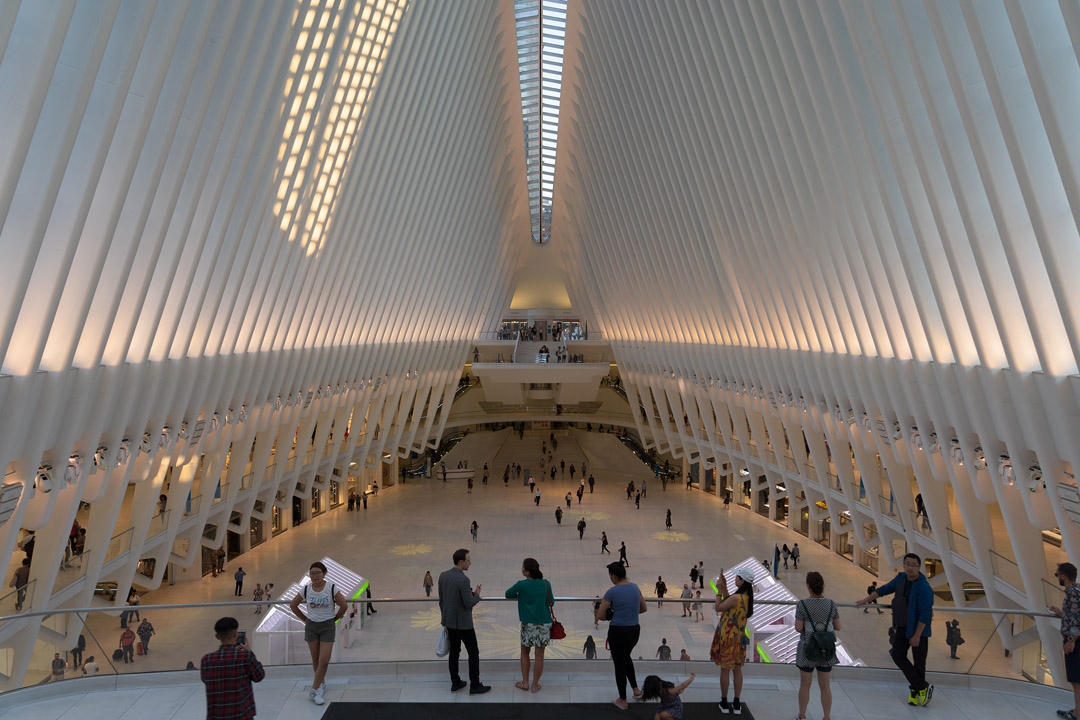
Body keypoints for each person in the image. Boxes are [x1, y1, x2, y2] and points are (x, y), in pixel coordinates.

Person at [856, 553, 934, 706]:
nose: (910, 568)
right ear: (903, 565)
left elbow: (926, 614)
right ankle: (922, 687)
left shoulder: (924, 587)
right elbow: (885, 589)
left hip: (919, 630)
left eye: (913, 565)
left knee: (919, 663)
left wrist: (917, 635)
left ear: (919, 567)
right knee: (897, 655)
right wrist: (865, 600)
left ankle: (916, 693)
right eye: (907, 564)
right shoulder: (901, 579)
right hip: (902, 627)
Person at [289, 561, 348, 705]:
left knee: (324, 660)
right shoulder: (306, 589)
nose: (314, 576)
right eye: (312, 573)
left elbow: (344, 605)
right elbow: (293, 605)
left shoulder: (331, 587)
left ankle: (313, 689)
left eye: (318, 573)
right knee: (315, 659)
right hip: (311, 627)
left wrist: (335, 618)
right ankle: (320, 684)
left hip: (327, 626)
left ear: (324, 574)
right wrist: (305, 620)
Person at [595, 561, 647, 709]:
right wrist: (628, 613)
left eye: (610, 575)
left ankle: (623, 700)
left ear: (614, 576)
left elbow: (600, 615)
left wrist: (613, 615)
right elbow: (643, 608)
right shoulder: (635, 587)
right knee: (626, 657)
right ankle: (636, 690)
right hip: (634, 630)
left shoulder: (612, 592)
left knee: (619, 665)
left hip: (618, 631)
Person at [439, 549, 490, 694]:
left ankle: (455, 682)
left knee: (454, 652)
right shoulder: (463, 580)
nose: (470, 563)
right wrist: (477, 595)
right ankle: (475, 685)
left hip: (450, 622)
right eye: (468, 560)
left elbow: (442, 601)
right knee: (473, 652)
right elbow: (468, 603)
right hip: (464, 624)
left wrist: (444, 622)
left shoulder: (443, 576)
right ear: (460, 562)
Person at [795, 571, 841, 720]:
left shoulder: (802, 605)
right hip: (826, 648)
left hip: (808, 648)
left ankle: (802, 716)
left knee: (805, 685)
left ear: (808, 586)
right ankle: (826, 717)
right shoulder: (831, 604)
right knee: (825, 686)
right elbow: (838, 626)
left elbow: (798, 627)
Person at [200, 616, 265, 720]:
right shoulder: (245, 657)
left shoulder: (206, 660)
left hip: (216, 715)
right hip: (242, 714)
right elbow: (259, 676)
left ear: (217, 636)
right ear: (236, 634)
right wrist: (249, 651)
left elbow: (205, 680)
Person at [710, 567, 755, 714]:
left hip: (727, 637)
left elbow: (719, 607)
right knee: (737, 669)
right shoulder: (746, 598)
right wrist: (725, 587)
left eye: (737, 577)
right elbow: (730, 602)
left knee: (725, 669)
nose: (735, 578)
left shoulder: (737, 598)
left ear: (742, 581)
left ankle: (724, 702)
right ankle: (736, 702)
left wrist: (718, 591)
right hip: (739, 638)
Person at [505, 557, 554, 693]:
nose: (521, 569)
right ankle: (535, 685)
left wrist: (521, 595)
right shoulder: (546, 583)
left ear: (527, 571)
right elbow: (552, 602)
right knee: (539, 655)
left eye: (523, 567)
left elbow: (508, 594)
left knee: (525, 653)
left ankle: (525, 683)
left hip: (528, 624)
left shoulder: (521, 584)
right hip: (544, 623)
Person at [1051, 561, 1080, 720]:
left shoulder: (1073, 593)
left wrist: (1071, 639)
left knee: (1077, 681)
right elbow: (1073, 616)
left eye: (1057, 574)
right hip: (1075, 639)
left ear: (1064, 575)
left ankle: (1077, 714)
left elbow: (1077, 618)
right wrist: (1061, 614)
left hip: (1075, 642)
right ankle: (1077, 711)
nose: (1057, 578)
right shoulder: (1077, 590)